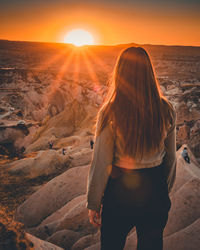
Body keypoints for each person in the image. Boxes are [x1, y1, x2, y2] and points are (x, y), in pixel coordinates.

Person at [86, 47, 176, 250]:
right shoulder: (166, 109)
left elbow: (102, 162)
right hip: (155, 190)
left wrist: (94, 202)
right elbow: (170, 159)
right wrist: (163, 190)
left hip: (120, 191)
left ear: (120, 73)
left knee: (111, 245)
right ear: (148, 72)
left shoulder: (110, 111)